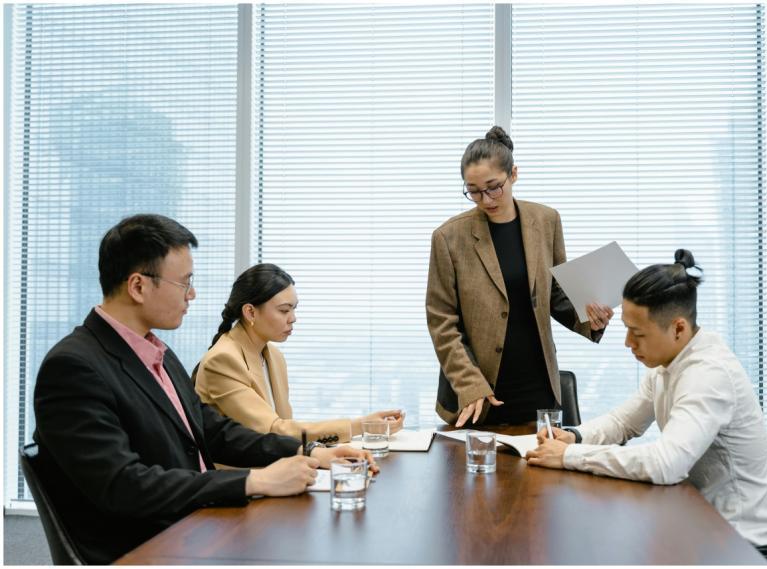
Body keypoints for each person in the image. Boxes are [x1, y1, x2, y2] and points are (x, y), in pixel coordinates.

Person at [32, 214, 376, 564]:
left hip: (195, 526)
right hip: (152, 547)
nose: (192, 294)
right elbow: (124, 485)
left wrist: (309, 451)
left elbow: (214, 431)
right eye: (184, 283)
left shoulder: (158, 355)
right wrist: (253, 482)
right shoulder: (74, 367)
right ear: (138, 286)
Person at [526, 249, 767, 546]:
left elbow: (666, 464)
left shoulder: (708, 375)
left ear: (678, 328)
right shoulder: (671, 361)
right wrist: (573, 437)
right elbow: (623, 422)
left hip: (740, 542)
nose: (627, 343)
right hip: (696, 520)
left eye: (637, 333)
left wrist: (569, 457)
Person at [426, 126, 614, 427]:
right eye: (473, 191)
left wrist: (589, 319)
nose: (485, 199)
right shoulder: (449, 237)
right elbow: (441, 320)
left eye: (493, 187)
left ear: (513, 174)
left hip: (537, 384)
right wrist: (469, 382)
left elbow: (555, 294)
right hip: (478, 392)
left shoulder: (546, 220)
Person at [194, 263, 404, 443]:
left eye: (294, 309)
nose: (293, 318)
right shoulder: (223, 360)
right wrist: (361, 426)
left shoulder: (273, 356)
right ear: (250, 312)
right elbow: (274, 431)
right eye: (284, 310)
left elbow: (285, 429)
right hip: (241, 480)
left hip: (275, 469)